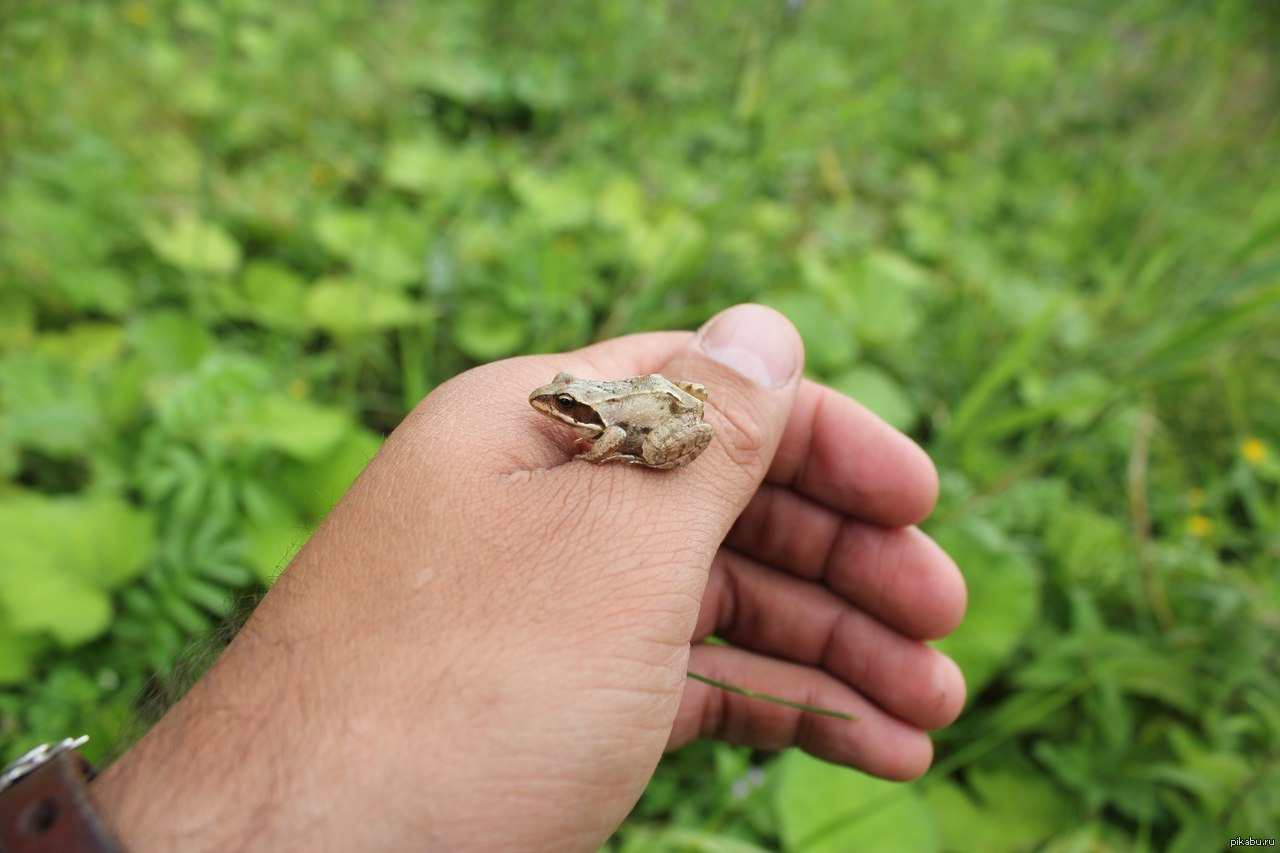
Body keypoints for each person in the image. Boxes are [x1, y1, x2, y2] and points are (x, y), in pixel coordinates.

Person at [87, 304, 967, 850]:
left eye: (562, 406)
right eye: (561, 399)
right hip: (641, 408)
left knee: (660, 436)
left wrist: (627, 430)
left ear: (576, 412)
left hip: (664, 424)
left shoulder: (596, 425)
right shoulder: (566, 406)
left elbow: (657, 424)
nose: (548, 411)